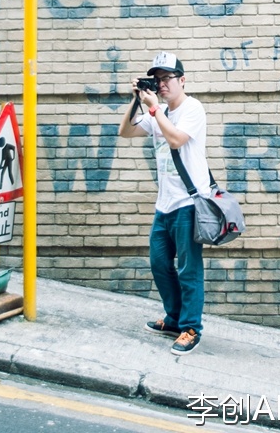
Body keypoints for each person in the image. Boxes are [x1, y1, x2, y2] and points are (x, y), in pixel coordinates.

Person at [118, 52, 211, 355]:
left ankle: (191, 328)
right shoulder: (157, 111)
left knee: (188, 269)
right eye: (157, 80)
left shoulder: (191, 108)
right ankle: (173, 319)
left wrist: (154, 108)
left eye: (167, 78)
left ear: (182, 80)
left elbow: (176, 140)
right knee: (159, 264)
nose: (162, 84)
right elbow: (126, 131)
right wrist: (136, 100)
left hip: (188, 202)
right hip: (165, 204)